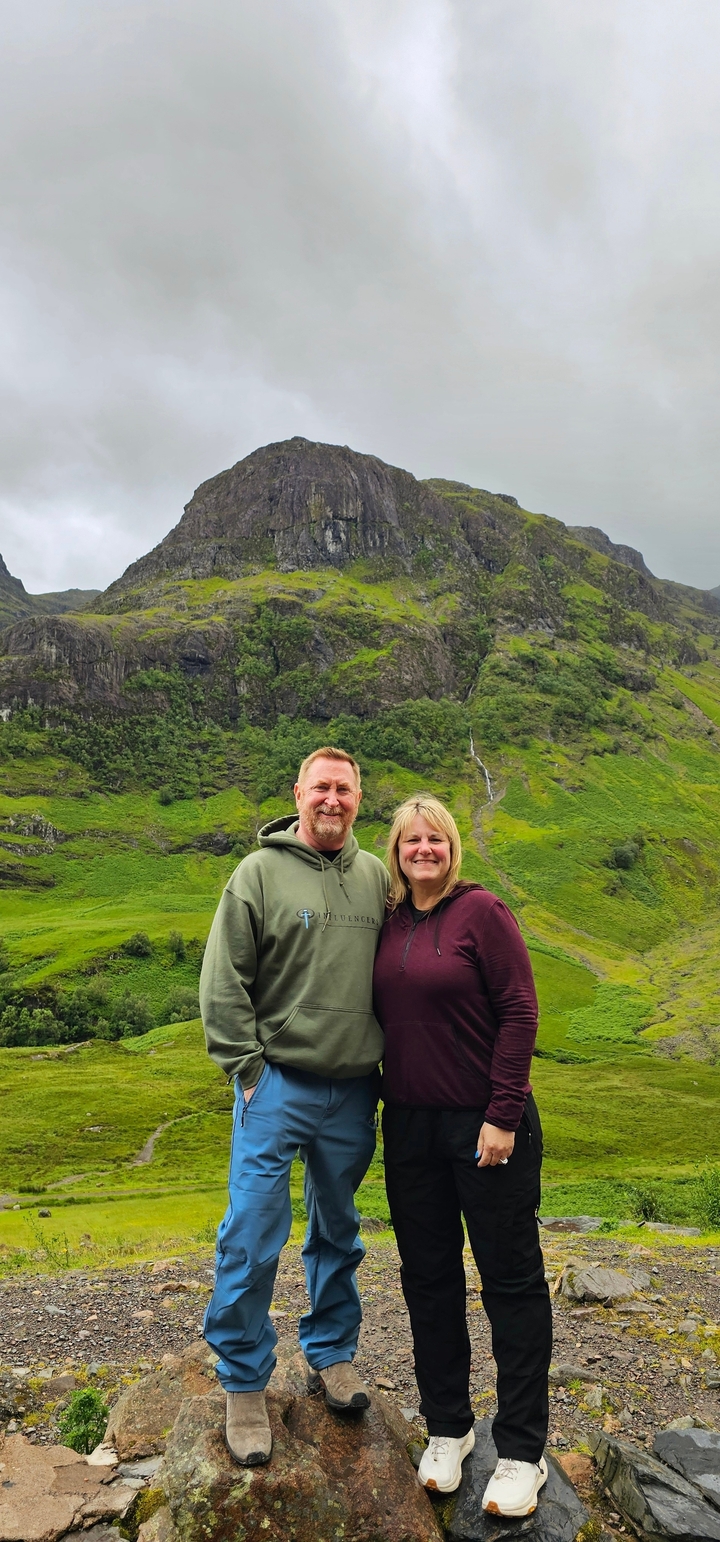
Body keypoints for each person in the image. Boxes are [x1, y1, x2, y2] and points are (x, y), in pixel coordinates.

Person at [199, 746, 389, 1467]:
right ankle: (244, 1380)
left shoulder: (375, 877)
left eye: (344, 789)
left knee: (338, 1228)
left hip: (353, 1091)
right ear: (299, 794)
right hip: (276, 1084)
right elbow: (223, 981)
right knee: (251, 1231)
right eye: (321, 788)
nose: (332, 800)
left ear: (358, 798)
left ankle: (332, 1353)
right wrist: (248, 1074)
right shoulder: (257, 873)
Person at [372, 794, 552, 1519]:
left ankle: (521, 1452)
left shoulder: (483, 913)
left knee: (509, 1282)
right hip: (410, 1126)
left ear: (452, 847)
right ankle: (448, 1428)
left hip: (486, 1128)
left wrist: (502, 1113)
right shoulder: (388, 921)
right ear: (396, 850)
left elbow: (520, 1010)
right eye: (411, 840)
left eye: (435, 839)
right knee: (430, 1280)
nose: (423, 849)